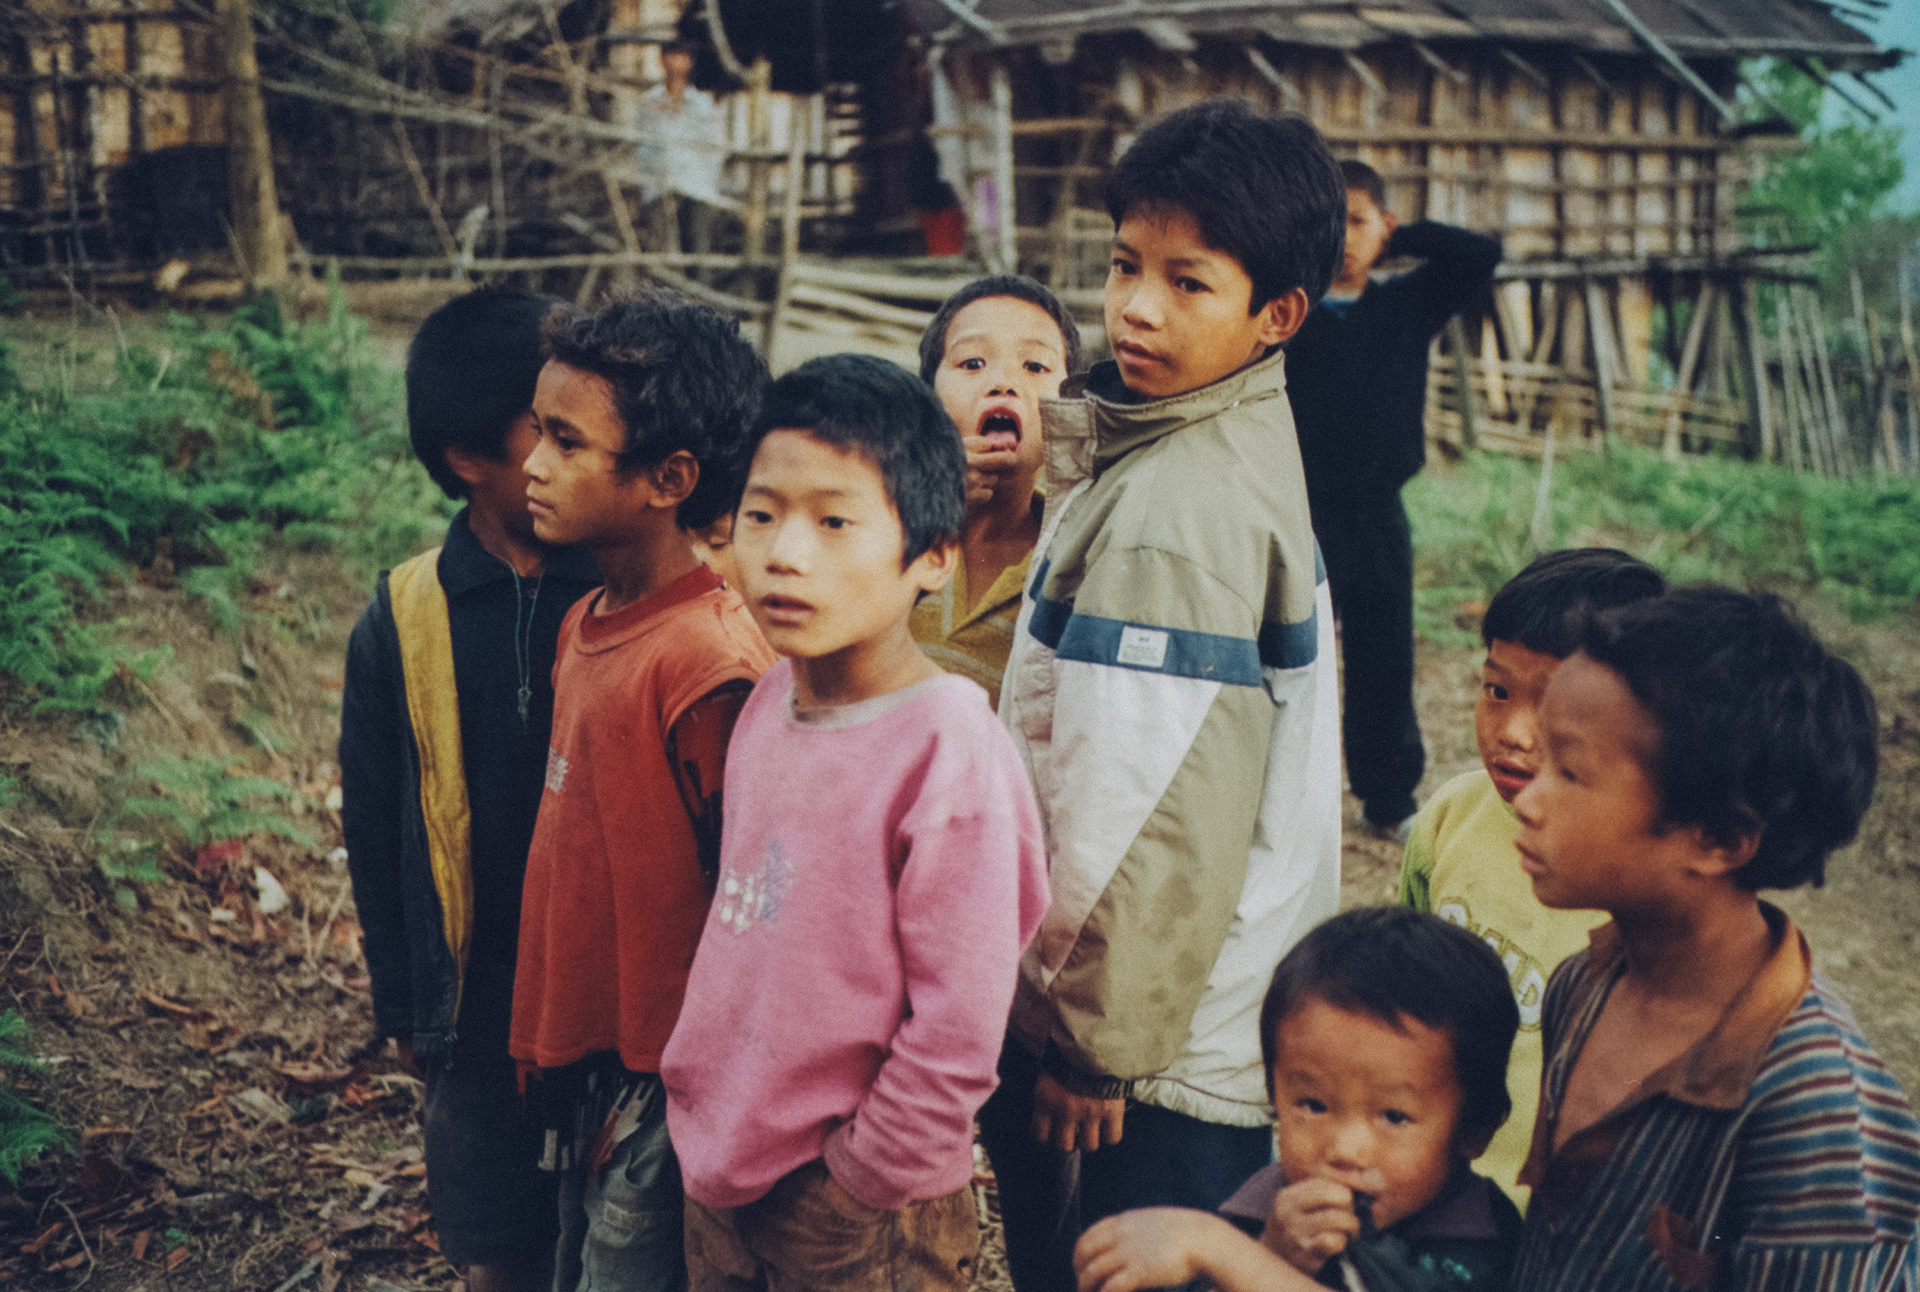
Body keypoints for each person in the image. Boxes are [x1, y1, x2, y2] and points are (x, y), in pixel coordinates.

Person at [990, 99, 1347, 1289]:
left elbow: (1145, 809)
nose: (1137, 306)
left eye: (1188, 282)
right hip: (1207, 1005)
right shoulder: (1218, 427)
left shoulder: (1173, 516)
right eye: (1124, 264)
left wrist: (1093, 1045)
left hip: (1156, 1055)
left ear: (1276, 314)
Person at [660, 353, 1051, 1292]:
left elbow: (961, 1022)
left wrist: (862, 1180)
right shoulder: (767, 702)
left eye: (835, 522)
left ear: (933, 556)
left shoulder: (948, 746)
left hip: (855, 1211)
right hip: (722, 1165)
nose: (785, 554)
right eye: (762, 514)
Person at [1509, 586, 1920, 1288]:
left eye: (1570, 773)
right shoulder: (1584, 983)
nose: (1527, 799)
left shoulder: (1821, 1118)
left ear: (1719, 839)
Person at [509, 294, 775, 1292]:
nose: (534, 464)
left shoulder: (707, 661)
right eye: (540, 431)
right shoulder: (586, 618)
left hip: (668, 1086)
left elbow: (754, 898)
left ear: (671, 479)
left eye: (567, 442)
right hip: (591, 1064)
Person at [340, 288, 597, 1292]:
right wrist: (403, 999)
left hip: (608, 998)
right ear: (468, 458)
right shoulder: (404, 616)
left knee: (615, 1233)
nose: (569, 454)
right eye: (547, 432)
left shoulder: (626, 580)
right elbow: (373, 819)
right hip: (476, 998)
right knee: (498, 1244)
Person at [1399, 548, 1666, 1203]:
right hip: (1417, 1179)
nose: (1512, 732)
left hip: (1546, 1211)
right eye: (1497, 691)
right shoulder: (1452, 817)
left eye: (1549, 704)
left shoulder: (1637, 889)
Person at [1073, 907, 1524, 1292]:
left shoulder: (1480, 1239)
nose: (1344, 1151)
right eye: (1313, 1105)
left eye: (1393, 1116)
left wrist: (1225, 1252)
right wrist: (1271, 1252)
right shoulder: (1271, 1201)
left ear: (1474, 1128)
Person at [1285, 160, 1501, 838]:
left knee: (1383, 655)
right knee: (1287, 654)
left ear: (1384, 226)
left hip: (1378, 511)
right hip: (1298, 512)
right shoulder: (1285, 314)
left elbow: (1480, 255)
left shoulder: (1406, 304)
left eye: (1357, 222)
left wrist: (1398, 237)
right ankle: (1281, 798)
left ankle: (1388, 799)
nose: (1345, 238)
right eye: (1332, 223)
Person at [912, 274, 1081, 707]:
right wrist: (925, 504)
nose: (1003, 382)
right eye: (972, 363)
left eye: (1035, 367)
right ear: (927, 396)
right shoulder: (886, 525)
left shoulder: (1073, 560)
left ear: (1069, 409)